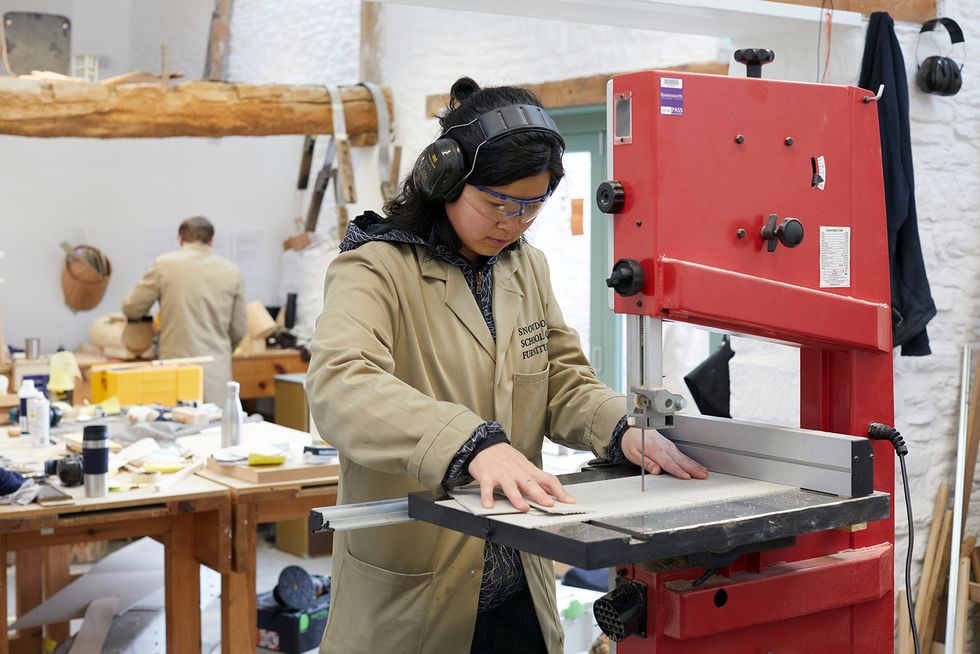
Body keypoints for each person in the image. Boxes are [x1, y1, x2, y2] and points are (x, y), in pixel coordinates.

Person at [306, 77, 707, 654]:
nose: (513, 224)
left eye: (531, 208)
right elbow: (341, 384)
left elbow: (563, 381)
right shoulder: (375, 268)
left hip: (519, 581)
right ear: (445, 179)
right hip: (415, 591)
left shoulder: (525, 268)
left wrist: (621, 427)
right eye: (497, 204)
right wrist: (469, 443)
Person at [122, 216, 246, 403]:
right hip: (216, 370)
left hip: (176, 367)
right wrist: (223, 350)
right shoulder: (231, 271)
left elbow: (132, 307)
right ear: (211, 240)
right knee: (216, 428)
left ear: (180, 239)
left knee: (175, 427)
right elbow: (239, 328)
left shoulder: (164, 265)